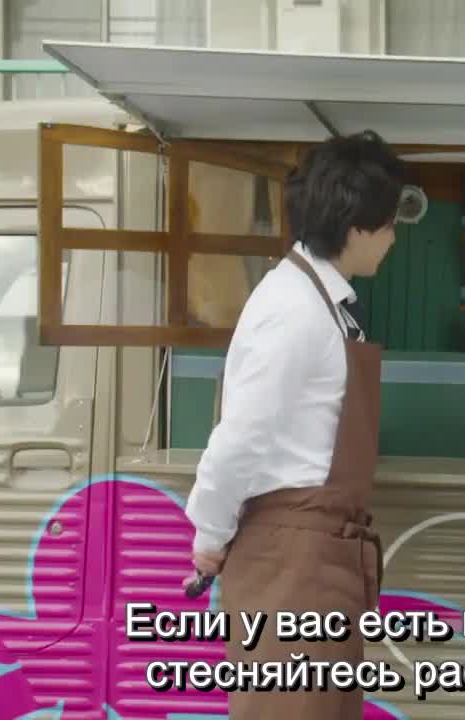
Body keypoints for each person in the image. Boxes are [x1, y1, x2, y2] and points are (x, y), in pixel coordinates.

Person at [183, 130, 405, 718]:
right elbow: (240, 438)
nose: (392, 238)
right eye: (388, 224)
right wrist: (209, 535)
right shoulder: (293, 310)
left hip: (319, 561)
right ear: (356, 225)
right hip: (292, 563)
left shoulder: (323, 302)